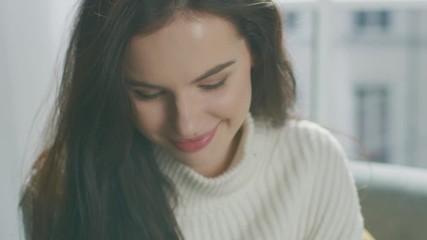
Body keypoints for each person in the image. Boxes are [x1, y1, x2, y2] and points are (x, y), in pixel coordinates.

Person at [20, 0, 364, 239]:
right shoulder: (62, 191)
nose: (186, 124)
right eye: (148, 94)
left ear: (256, 50)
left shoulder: (313, 162)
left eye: (213, 84)